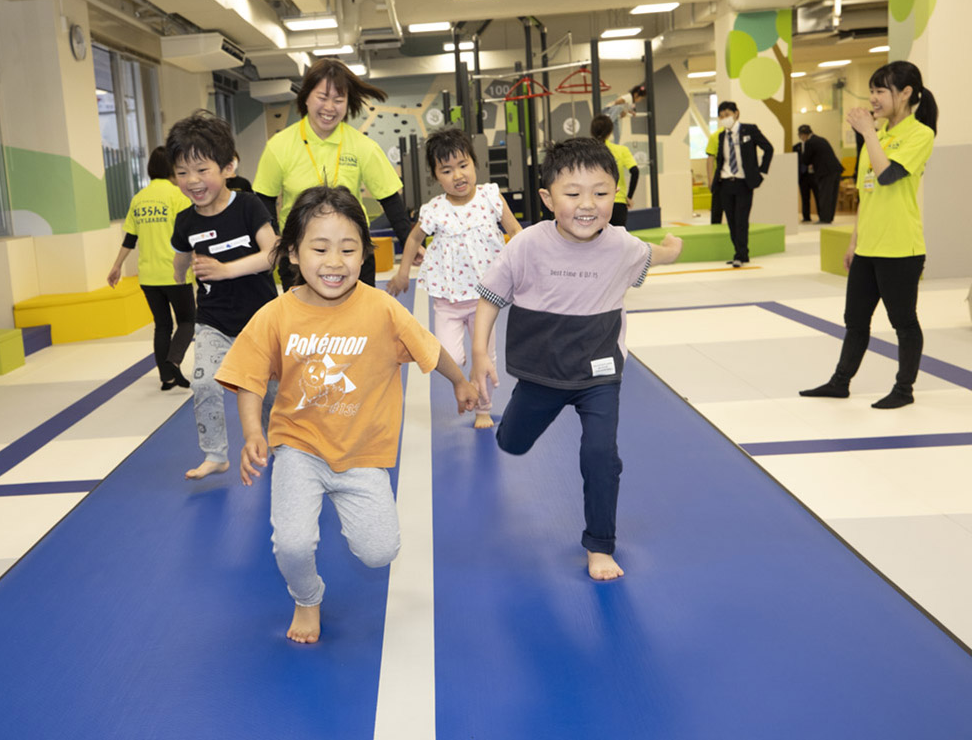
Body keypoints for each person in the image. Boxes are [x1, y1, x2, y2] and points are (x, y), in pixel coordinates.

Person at [215, 185, 478, 644]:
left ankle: (348, 515)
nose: (334, 261)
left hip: (362, 453)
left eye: (348, 248)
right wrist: (253, 432)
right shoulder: (275, 316)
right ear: (294, 253)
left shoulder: (381, 310)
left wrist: (460, 381)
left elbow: (429, 349)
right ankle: (307, 596)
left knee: (380, 552)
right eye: (320, 248)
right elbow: (249, 378)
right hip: (299, 446)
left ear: (364, 255)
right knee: (293, 543)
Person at [469, 138, 683, 582]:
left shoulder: (623, 246)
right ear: (547, 198)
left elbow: (652, 255)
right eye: (573, 194)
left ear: (615, 196)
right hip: (540, 374)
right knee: (511, 442)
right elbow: (489, 299)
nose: (588, 204)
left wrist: (672, 249)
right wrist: (478, 355)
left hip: (599, 373)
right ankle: (514, 428)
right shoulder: (526, 245)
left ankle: (599, 544)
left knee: (601, 454)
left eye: (601, 193)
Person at [799, 61, 937, 409]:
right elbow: (868, 192)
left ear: (906, 93)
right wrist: (853, 241)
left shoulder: (920, 134)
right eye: (872, 90)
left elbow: (888, 176)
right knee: (855, 320)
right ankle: (840, 382)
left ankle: (904, 389)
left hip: (901, 247)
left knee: (903, 321)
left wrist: (869, 133)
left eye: (881, 90)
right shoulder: (878, 136)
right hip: (868, 247)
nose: (873, 98)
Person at [386, 127, 523, 428]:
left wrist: (526, 265)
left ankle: (483, 409)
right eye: (447, 170)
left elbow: (515, 230)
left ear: (475, 164)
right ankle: (462, 383)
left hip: (485, 299)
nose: (458, 175)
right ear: (436, 177)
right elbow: (412, 240)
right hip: (447, 299)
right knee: (448, 356)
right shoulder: (435, 210)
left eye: (463, 165)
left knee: (484, 356)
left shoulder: (491, 197)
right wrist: (403, 272)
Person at [168, 110, 279, 479]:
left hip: (260, 319)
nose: (192, 181)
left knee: (270, 391)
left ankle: (278, 443)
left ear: (228, 166)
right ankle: (216, 454)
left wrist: (226, 269)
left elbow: (273, 253)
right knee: (203, 381)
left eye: (202, 170)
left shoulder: (248, 206)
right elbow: (181, 253)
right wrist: (179, 272)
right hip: (213, 318)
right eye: (182, 173)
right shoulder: (186, 221)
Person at [253, 59, 414, 290]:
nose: (330, 107)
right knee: (305, 324)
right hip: (299, 255)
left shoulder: (362, 146)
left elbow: (390, 199)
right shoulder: (279, 146)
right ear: (306, 97)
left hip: (352, 252)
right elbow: (264, 201)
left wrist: (410, 242)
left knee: (358, 324)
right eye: (322, 97)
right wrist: (276, 244)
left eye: (339, 100)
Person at [107, 148, 195, 390]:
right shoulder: (178, 196)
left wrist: (116, 266)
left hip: (148, 275)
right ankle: (174, 362)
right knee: (188, 321)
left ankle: (166, 378)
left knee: (163, 325)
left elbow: (130, 239)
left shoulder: (139, 198)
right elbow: (189, 234)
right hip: (175, 273)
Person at [710, 101, 774, 267]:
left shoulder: (749, 130)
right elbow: (720, 159)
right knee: (731, 220)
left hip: (743, 183)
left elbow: (768, 148)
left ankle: (741, 253)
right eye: (722, 116)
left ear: (736, 113)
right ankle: (740, 253)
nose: (725, 118)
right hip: (725, 182)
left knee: (741, 220)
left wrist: (761, 171)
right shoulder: (722, 136)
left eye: (728, 114)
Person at [590, 114, 640, 227]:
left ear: (592, 131)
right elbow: (635, 171)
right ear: (610, 131)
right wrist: (629, 196)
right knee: (618, 242)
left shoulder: (588, 152)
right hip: (618, 202)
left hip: (594, 203)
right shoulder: (621, 150)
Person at [797, 125, 843, 224]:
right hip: (835, 169)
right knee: (832, 196)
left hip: (825, 172)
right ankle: (829, 217)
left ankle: (824, 219)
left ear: (802, 135)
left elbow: (805, 160)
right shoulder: (821, 139)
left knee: (824, 195)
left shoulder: (809, 143)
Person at [792, 133, 814, 223]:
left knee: (817, 195)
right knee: (805, 197)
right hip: (802, 176)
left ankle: (821, 215)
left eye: (805, 134)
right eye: (801, 135)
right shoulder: (796, 147)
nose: (803, 137)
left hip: (812, 175)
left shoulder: (813, 145)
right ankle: (806, 216)